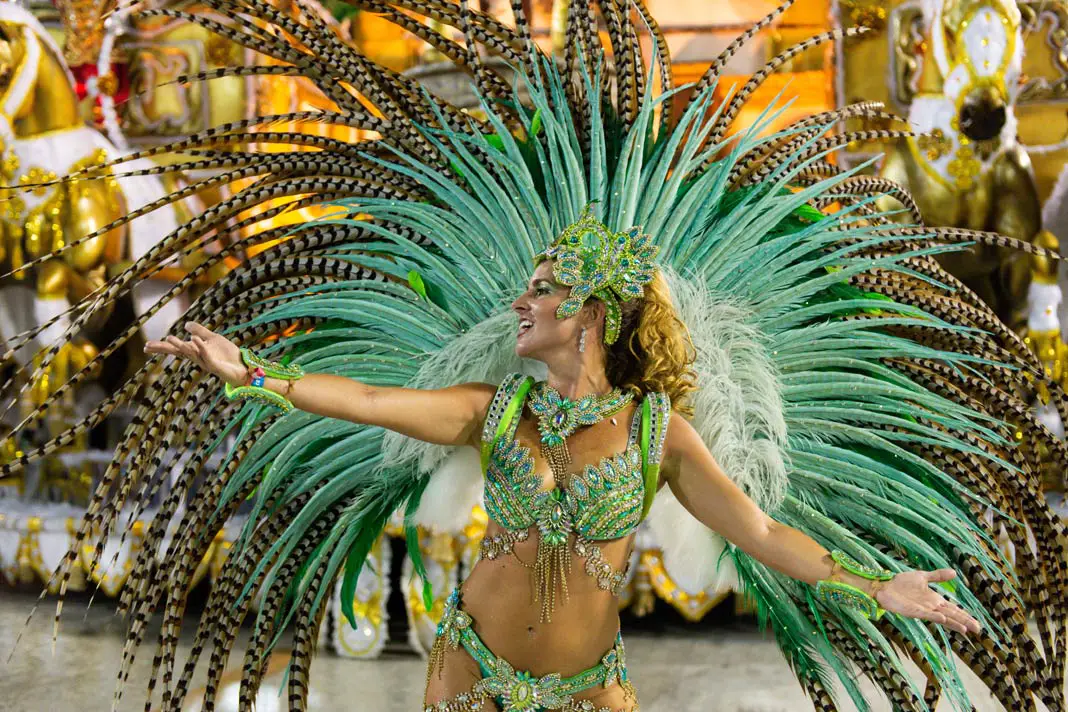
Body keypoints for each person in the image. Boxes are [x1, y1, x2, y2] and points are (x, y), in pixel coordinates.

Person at [3, 1, 1064, 710]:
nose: (522, 297)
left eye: (545, 290)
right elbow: (370, 398)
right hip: (468, 662)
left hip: (588, 684)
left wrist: (886, 589)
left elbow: (767, 533)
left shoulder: (662, 432)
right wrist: (259, 375)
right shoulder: (492, 406)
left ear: (593, 313)